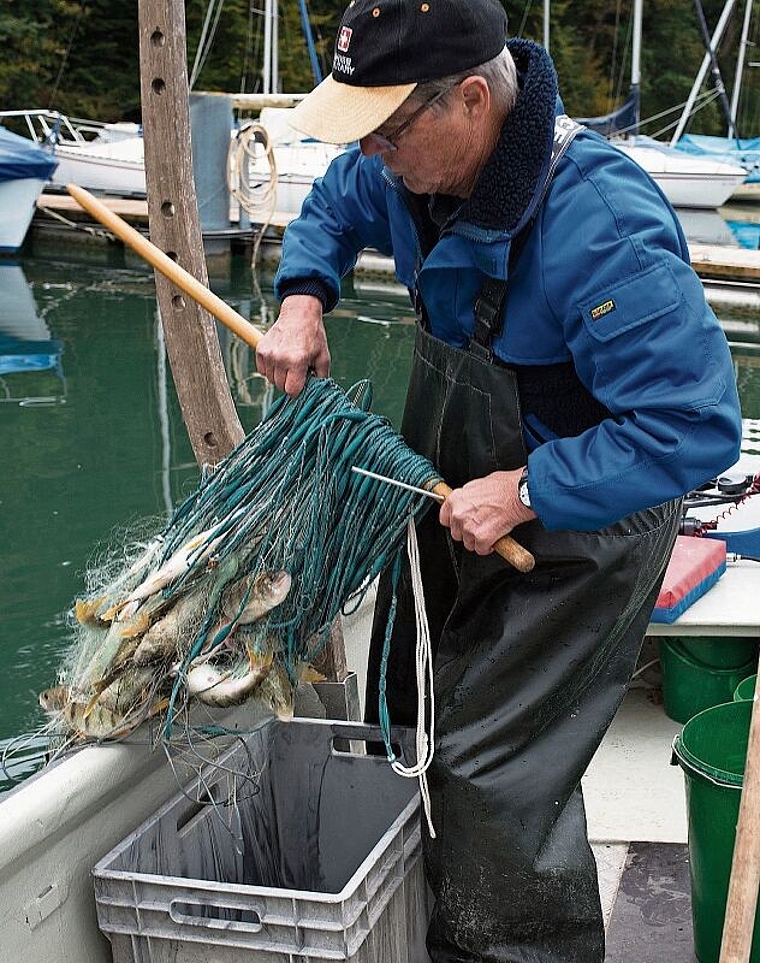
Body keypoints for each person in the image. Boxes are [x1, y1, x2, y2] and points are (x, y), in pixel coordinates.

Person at [255, 0, 743, 959]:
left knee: (487, 769)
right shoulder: (404, 160)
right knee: (404, 706)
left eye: (387, 135)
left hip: (587, 518)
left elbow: (694, 427)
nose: (374, 156)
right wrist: (304, 294)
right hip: (452, 482)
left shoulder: (601, 223)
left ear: (470, 100)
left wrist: (526, 490)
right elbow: (337, 201)